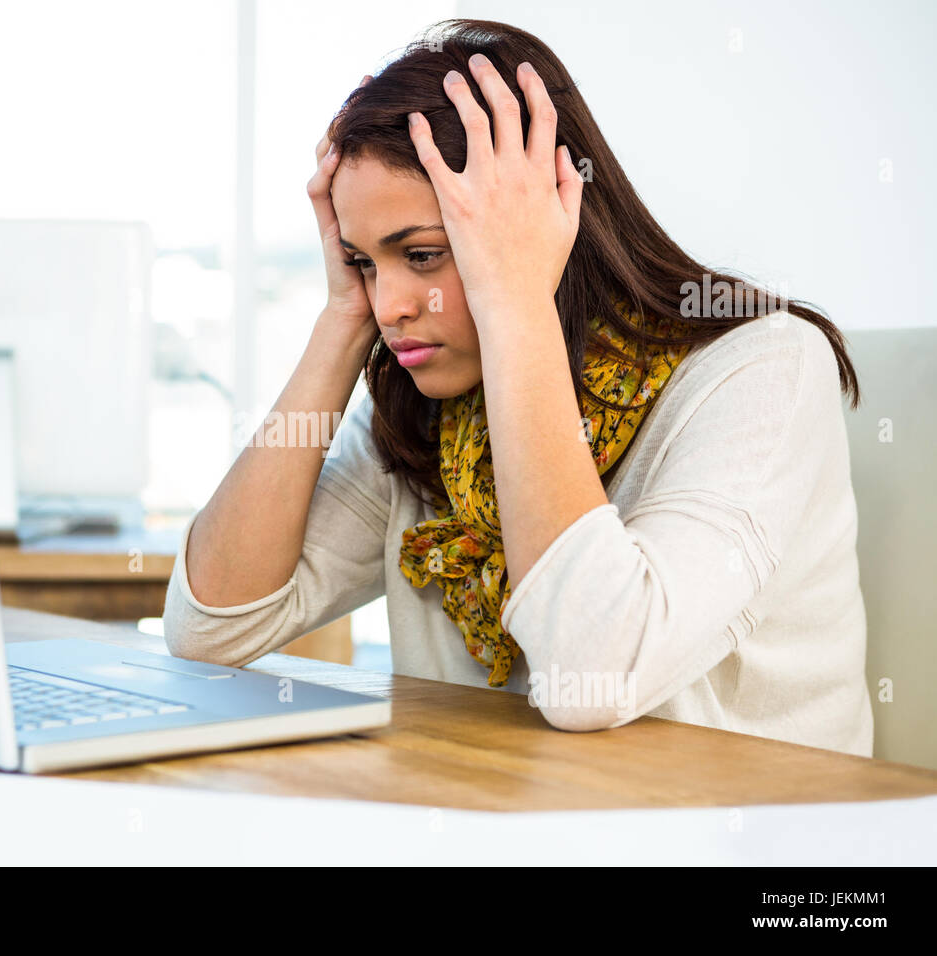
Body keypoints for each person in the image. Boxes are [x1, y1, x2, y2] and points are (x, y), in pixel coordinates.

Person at [162, 18, 873, 757]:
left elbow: (592, 678)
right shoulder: (422, 396)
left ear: (548, 222)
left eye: (423, 254)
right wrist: (340, 320)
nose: (389, 304)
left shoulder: (763, 370)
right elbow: (211, 629)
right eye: (365, 262)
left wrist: (514, 301)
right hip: (505, 819)